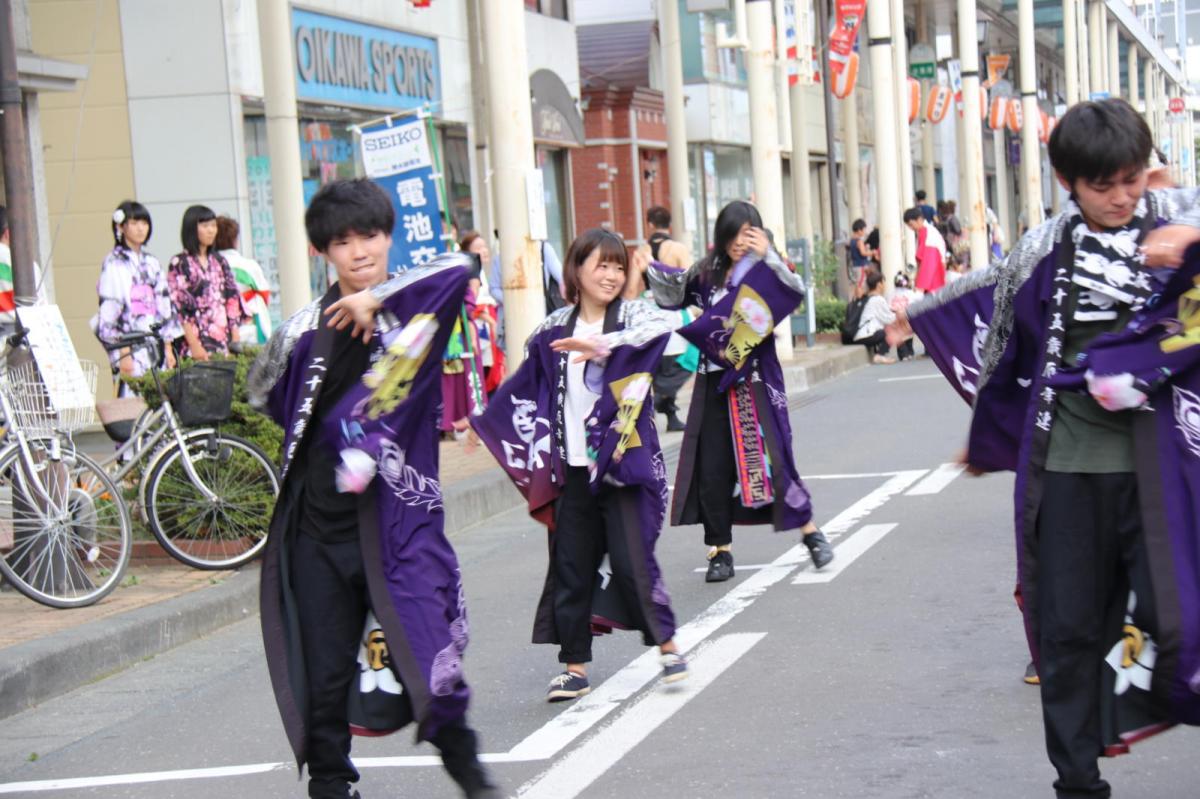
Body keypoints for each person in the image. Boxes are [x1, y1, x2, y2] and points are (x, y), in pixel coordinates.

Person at [892, 98, 1200, 799]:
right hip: (1070, 468)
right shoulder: (1042, 248)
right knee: (1067, 631)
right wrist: (912, 313)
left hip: (1172, 467)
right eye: (1102, 185)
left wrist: (1186, 248)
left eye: (1130, 179)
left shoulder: (1181, 222)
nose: (1121, 197)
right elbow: (993, 311)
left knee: (1183, 614)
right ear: (1067, 179)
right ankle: (1078, 780)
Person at [246, 178, 498, 799]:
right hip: (318, 530)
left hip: (396, 526)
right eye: (342, 241)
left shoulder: (418, 305)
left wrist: (379, 299)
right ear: (323, 252)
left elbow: (463, 263)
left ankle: (475, 782)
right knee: (325, 675)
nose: (359, 252)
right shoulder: (304, 330)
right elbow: (262, 393)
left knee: (426, 657)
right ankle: (332, 787)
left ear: (390, 238)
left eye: (371, 236)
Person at [472, 228, 688, 701]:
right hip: (570, 468)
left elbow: (666, 333)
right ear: (576, 269)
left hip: (622, 464)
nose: (610, 275)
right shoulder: (553, 329)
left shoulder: (632, 316)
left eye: (617, 266)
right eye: (600, 265)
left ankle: (668, 646)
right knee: (570, 565)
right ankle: (575, 666)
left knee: (633, 561)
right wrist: (482, 423)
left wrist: (607, 347)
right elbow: (524, 385)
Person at [633, 200, 834, 582]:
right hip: (713, 383)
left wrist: (769, 255)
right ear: (722, 235)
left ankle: (810, 533)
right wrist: (649, 269)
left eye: (749, 233)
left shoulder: (767, 271)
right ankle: (719, 551)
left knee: (776, 459)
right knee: (712, 470)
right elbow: (673, 292)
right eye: (734, 234)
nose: (741, 242)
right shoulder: (706, 273)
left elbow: (795, 291)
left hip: (754, 382)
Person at [90, 201, 181, 393]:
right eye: (134, 223)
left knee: (160, 397)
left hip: (154, 340)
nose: (141, 228)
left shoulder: (152, 262)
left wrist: (168, 345)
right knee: (133, 397)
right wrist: (123, 350)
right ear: (120, 227)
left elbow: (164, 303)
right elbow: (111, 308)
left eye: (144, 223)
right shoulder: (114, 262)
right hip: (129, 343)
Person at [167, 205, 245, 359]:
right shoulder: (180, 263)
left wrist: (235, 340)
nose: (211, 230)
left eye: (213, 225)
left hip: (223, 341)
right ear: (192, 229)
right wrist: (194, 345)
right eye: (205, 226)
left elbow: (232, 299)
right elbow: (179, 307)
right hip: (194, 343)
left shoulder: (220, 261)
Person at [214, 215, 272, 346]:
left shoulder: (211, 267)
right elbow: (264, 295)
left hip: (220, 326)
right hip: (250, 322)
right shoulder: (249, 265)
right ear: (235, 240)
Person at [853, 271, 896, 365]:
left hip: (859, 334)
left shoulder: (867, 298)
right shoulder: (878, 300)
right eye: (883, 283)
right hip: (866, 335)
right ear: (879, 284)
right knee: (894, 331)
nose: (884, 286)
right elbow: (889, 319)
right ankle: (880, 355)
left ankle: (879, 354)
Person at [905, 207, 947, 294]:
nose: (910, 228)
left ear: (919, 220)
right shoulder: (928, 231)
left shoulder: (928, 234)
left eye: (911, 224)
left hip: (933, 279)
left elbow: (928, 263)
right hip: (936, 276)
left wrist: (920, 287)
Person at [849, 219, 873, 290]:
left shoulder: (852, 240)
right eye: (864, 230)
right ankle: (859, 299)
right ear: (859, 230)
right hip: (861, 266)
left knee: (858, 284)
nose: (864, 232)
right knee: (861, 285)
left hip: (855, 265)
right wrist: (872, 252)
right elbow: (863, 253)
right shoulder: (859, 241)